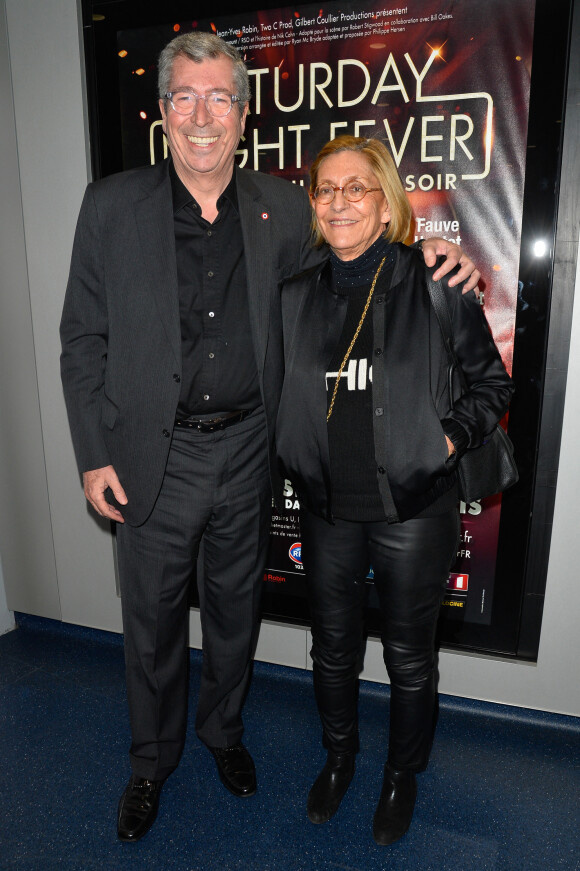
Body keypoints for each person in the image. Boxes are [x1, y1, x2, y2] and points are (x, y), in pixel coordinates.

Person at [60, 33, 480, 843]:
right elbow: (83, 338)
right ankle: (151, 761)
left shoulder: (285, 208)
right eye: (186, 96)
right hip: (153, 452)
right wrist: (92, 452)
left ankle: (223, 735)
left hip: (251, 447)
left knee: (233, 610)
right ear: (162, 112)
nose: (203, 115)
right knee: (149, 621)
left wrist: (429, 250)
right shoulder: (109, 206)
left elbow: (354, 265)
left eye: (221, 97)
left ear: (245, 116)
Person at [276, 135, 514, 846]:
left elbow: (492, 384)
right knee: (332, 650)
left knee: (410, 657)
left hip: (413, 509)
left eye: (357, 188)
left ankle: (400, 772)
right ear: (314, 205)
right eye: (326, 189)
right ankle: (341, 756)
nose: (340, 201)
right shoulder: (294, 294)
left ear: (386, 204)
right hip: (326, 510)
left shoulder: (436, 281)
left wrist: (442, 438)